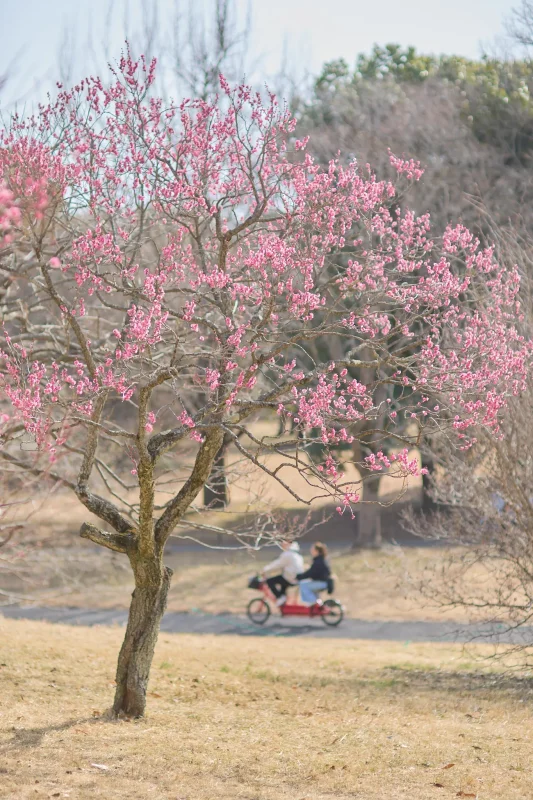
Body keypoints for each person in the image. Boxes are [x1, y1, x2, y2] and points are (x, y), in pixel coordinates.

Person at [261, 540, 304, 607]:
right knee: (282, 583)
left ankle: (280, 597)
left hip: (290, 577)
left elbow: (277, 564)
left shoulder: (288, 554)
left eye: (283, 542)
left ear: (288, 543)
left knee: (270, 581)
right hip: (296, 578)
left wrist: (265, 569)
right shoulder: (296, 554)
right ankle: (283, 603)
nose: (281, 544)